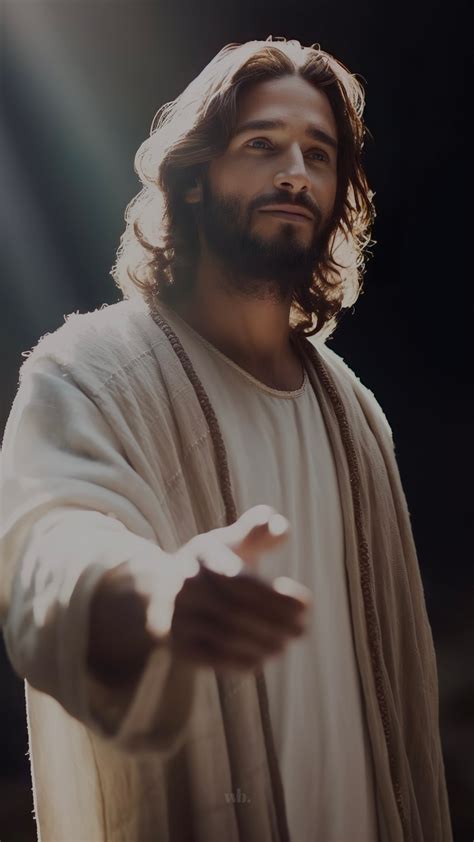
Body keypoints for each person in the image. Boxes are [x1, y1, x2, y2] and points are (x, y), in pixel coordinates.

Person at [0, 36, 452, 842]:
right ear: (196, 177)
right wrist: (158, 593)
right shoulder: (88, 372)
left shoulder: (356, 415)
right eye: (261, 145)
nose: (295, 173)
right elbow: (45, 550)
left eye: (319, 154)